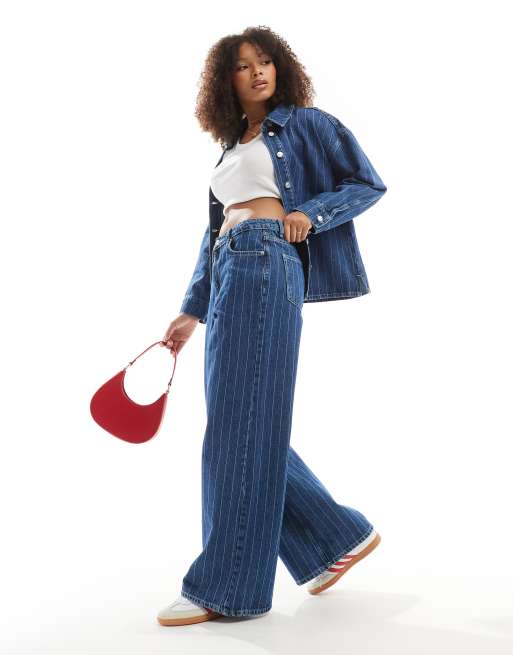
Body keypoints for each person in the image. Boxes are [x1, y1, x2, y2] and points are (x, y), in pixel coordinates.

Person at [157, 26, 386, 627]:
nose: (257, 72)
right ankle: (333, 538)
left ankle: (227, 587)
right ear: (224, 82)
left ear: (280, 67)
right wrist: (191, 309)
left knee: (239, 424)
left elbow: (366, 182)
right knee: (238, 422)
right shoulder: (231, 149)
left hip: (265, 259)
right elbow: (215, 232)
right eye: (243, 65)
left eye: (265, 61)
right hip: (230, 267)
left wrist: (311, 213)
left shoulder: (306, 125)